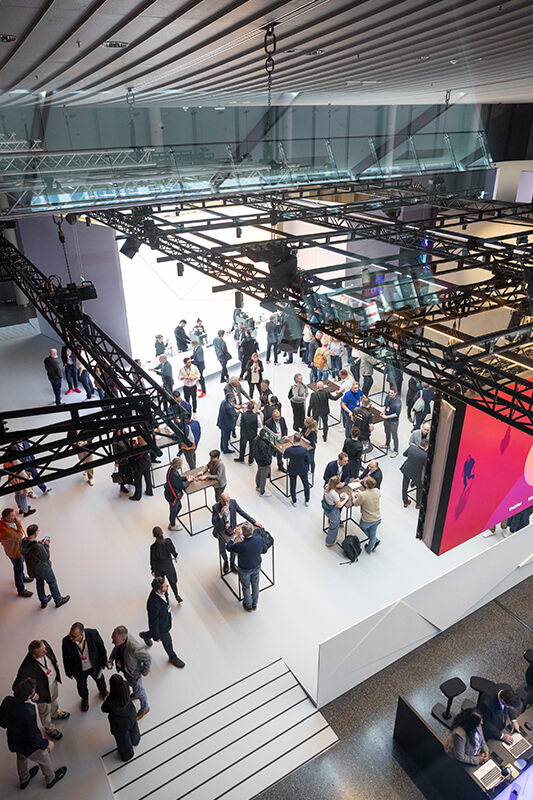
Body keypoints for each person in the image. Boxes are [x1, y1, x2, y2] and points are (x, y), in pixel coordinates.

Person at [0, 678, 67, 789]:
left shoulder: (7, 700)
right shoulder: (29, 711)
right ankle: (51, 778)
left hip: (14, 740)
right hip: (29, 744)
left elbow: (2, 721)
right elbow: (34, 739)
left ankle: (24, 778)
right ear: (28, 696)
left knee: (21, 758)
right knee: (44, 758)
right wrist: (46, 743)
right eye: (33, 692)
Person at [14, 640, 69, 741]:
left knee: (54, 699)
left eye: (45, 649)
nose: (45, 652)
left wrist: (55, 662)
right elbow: (16, 687)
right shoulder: (26, 668)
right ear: (34, 655)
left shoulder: (44, 644)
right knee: (44, 711)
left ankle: (55, 713)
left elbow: (50, 652)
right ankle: (49, 728)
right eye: (42, 652)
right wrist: (34, 695)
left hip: (53, 683)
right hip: (42, 692)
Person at [19, 524, 70, 609]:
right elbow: (46, 557)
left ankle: (44, 600)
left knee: (39, 583)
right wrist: (46, 545)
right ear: (35, 533)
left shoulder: (22, 542)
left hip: (33, 569)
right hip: (43, 569)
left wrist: (38, 542)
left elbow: (32, 549)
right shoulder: (38, 547)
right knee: (52, 583)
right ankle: (58, 600)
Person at [139, 576, 185, 668]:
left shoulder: (164, 592)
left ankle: (146, 635)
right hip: (161, 626)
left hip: (165, 620)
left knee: (154, 632)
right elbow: (153, 623)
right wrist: (156, 637)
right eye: (165, 586)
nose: (167, 586)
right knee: (167, 641)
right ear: (159, 590)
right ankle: (172, 657)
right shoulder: (153, 605)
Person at [108, 626, 151, 721]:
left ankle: (145, 707)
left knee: (140, 690)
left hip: (134, 674)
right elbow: (116, 648)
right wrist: (111, 658)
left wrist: (143, 672)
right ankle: (136, 693)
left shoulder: (134, 647)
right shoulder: (120, 641)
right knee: (133, 685)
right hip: (127, 671)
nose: (113, 642)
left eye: (114, 641)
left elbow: (147, 658)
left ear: (124, 639)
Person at [61, 623, 107, 712]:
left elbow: (101, 648)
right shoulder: (66, 641)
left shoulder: (93, 634)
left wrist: (104, 662)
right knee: (81, 685)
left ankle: (103, 691)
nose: (71, 638)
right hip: (78, 669)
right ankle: (84, 698)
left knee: (100, 679)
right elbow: (65, 658)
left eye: (73, 636)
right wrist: (68, 672)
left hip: (94, 665)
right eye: (70, 635)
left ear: (82, 634)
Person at [212, 493, 260, 574]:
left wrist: (254, 521)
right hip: (221, 532)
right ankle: (226, 562)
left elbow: (242, 512)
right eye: (224, 502)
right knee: (222, 549)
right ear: (220, 500)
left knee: (233, 548)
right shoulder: (216, 507)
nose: (227, 503)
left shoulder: (233, 502)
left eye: (228, 501)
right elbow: (214, 522)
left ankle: (232, 563)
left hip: (232, 530)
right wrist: (220, 514)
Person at [226, 522, 268, 611]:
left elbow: (228, 547)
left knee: (246, 587)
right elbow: (264, 550)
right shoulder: (259, 540)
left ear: (243, 533)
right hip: (256, 566)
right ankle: (254, 604)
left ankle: (248, 606)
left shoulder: (240, 545)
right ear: (252, 531)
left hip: (244, 569)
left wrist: (235, 536)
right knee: (255, 585)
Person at [101, 674, 141, 762]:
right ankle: (135, 740)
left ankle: (127, 754)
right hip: (131, 714)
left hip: (120, 724)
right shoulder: (126, 686)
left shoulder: (111, 700)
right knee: (134, 729)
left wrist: (105, 699)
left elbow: (104, 709)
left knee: (123, 740)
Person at [0, 508, 33, 597]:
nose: (15, 517)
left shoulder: (7, 522)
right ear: (6, 518)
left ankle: (22, 577)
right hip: (15, 552)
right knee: (18, 569)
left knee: (19, 566)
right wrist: (18, 523)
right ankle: (21, 589)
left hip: (18, 549)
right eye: (12, 516)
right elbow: (19, 536)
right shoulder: (6, 531)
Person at [150, 526, 182, 602]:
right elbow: (172, 550)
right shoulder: (168, 542)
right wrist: (175, 555)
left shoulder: (153, 547)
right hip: (168, 565)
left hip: (159, 567)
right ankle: (176, 595)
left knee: (161, 584)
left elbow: (153, 560)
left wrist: (153, 570)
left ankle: (166, 599)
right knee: (172, 581)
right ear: (162, 533)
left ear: (153, 535)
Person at [352, 476, 382, 554]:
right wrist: (361, 493)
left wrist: (353, 496)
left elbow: (355, 503)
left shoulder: (363, 495)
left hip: (367, 520)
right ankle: (370, 548)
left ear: (366, 485)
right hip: (377, 517)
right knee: (373, 532)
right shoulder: (377, 491)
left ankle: (375, 540)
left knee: (363, 527)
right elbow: (370, 496)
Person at [283, 433, 310, 507]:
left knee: (293, 484)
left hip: (293, 469)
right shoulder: (304, 450)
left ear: (293, 440)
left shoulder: (289, 450)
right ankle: (307, 500)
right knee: (306, 484)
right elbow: (308, 460)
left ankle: (294, 501)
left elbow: (285, 456)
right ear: (300, 440)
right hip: (302, 468)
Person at [400, 440, 428, 508]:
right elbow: (425, 465)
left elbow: (404, 454)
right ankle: (418, 504)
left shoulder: (411, 448)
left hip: (407, 469)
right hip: (416, 473)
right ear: (426, 446)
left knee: (404, 487)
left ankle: (405, 502)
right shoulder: (425, 455)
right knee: (419, 487)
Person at [164, 457, 189, 531]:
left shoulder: (171, 469)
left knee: (178, 507)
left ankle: (172, 520)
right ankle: (172, 525)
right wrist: (189, 481)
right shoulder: (174, 474)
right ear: (178, 466)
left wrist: (185, 478)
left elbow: (177, 479)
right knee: (174, 510)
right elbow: (182, 486)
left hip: (168, 492)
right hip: (173, 496)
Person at [322, 476, 348, 547]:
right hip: (333, 512)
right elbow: (339, 505)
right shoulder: (334, 494)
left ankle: (332, 539)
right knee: (334, 526)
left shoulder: (326, 486)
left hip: (327, 508)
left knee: (334, 524)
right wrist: (346, 498)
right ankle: (329, 542)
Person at [129, 437, 153, 501]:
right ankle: (149, 491)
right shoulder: (148, 446)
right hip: (147, 464)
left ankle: (137, 496)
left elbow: (131, 457)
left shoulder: (137, 449)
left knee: (138, 481)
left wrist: (134, 446)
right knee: (148, 479)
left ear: (139, 441)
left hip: (139, 467)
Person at [381, 388, 401, 457]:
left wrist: (387, 416)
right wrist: (383, 411)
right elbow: (385, 405)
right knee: (387, 432)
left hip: (393, 421)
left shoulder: (397, 402)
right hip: (386, 419)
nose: (390, 394)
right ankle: (387, 444)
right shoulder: (387, 397)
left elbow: (397, 414)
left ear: (395, 393)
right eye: (389, 392)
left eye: (392, 393)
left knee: (394, 435)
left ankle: (396, 450)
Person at [113, 428, 133, 494]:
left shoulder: (125, 434)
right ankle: (122, 486)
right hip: (122, 460)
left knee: (129, 470)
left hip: (128, 457)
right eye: (120, 430)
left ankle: (129, 481)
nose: (122, 431)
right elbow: (115, 452)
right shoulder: (115, 440)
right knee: (122, 472)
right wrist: (116, 462)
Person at [254, 429, 273, 498]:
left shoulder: (256, 439)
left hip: (258, 460)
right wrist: (268, 463)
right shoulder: (263, 445)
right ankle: (262, 492)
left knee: (259, 473)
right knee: (263, 477)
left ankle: (258, 486)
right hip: (263, 463)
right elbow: (265, 456)